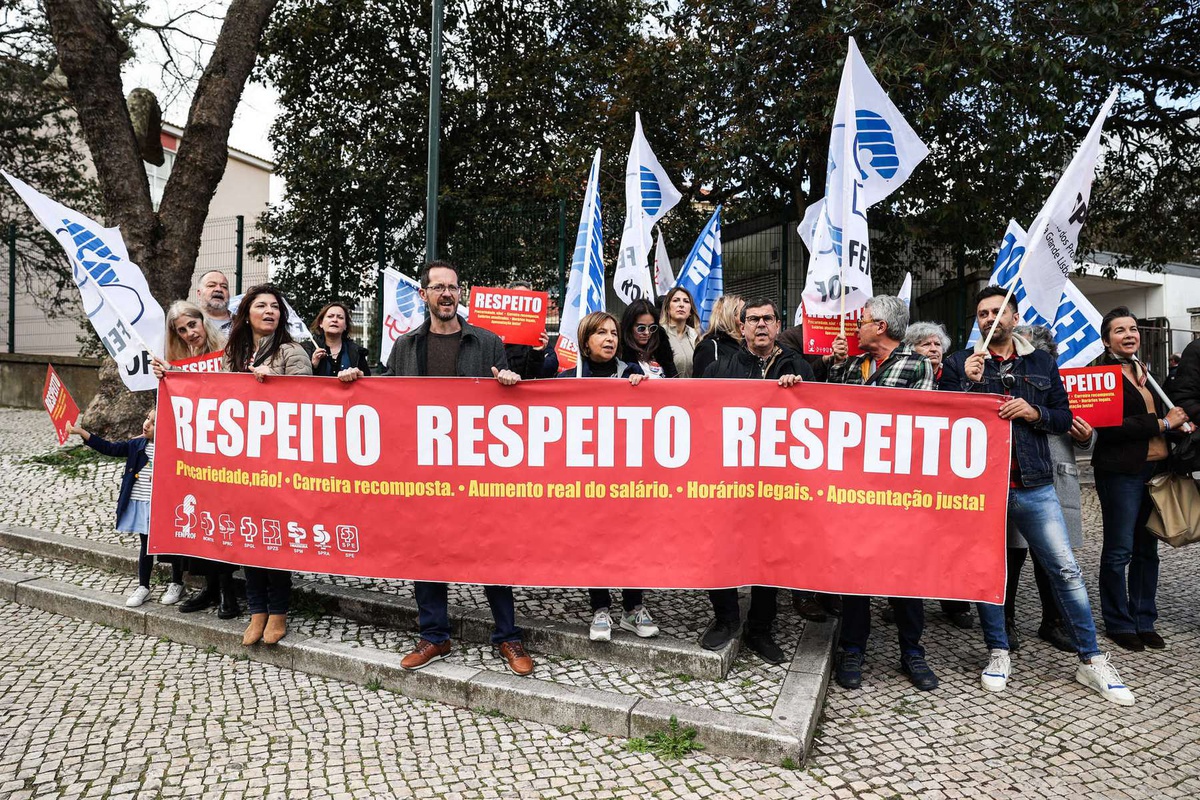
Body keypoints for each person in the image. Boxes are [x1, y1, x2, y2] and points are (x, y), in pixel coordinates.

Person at [338, 260, 535, 677]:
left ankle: (507, 636)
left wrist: (510, 384)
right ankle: (434, 635)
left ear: (460, 294)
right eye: (438, 287)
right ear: (424, 295)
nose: (447, 294)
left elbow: (510, 401)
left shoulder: (487, 342)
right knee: (427, 551)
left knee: (490, 551)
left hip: (477, 471)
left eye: (453, 287)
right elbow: (386, 397)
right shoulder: (406, 347)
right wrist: (358, 381)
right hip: (424, 473)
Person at [941, 285, 1134, 705]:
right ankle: (998, 650)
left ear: (1013, 318)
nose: (990, 319)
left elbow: (1064, 416)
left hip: (1034, 484)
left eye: (997, 312)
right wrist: (969, 386)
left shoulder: (1042, 362)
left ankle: (1092, 659)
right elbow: (947, 422)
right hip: (982, 488)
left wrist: (1035, 413)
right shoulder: (960, 363)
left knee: (1065, 570)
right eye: (982, 314)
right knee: (991, 573)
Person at [826, 296, 939, 692]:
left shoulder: (917, 364)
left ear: (882, 328)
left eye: (863, 321)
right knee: (855, 573)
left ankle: (911, 651)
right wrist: (831, 367)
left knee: (903, 574)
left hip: (897, 493)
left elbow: (921, 424)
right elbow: (826, 409)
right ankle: (853, 648)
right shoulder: (853, 366)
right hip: (854, 492)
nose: (857, 327)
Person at [700, 298, 810, 663]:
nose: (760, 325)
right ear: (741, 327)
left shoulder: (798, 367)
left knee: (769, 553)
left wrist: (799, 393)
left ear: (778, 325)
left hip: (778, 483)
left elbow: (817, 415)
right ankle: (726, 618)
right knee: (723, 547)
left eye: (768, 318)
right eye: (753, 320)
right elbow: (697, 411)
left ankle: (761, 627)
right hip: (729, 479)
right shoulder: (720, 368)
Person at [555, 312, 658, 640]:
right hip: (586, 477)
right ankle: (601, 609)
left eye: (614, 332)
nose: (610, 338)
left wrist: (645, 391)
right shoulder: (567, 379)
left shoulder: (632, 374)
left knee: (631, 539)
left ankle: (632, 609)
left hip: (625, 477)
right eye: (601, 333)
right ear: (585, 342)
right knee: (594, 540)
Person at [1092, 307, 1187, 651]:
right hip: (1121, 473)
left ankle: (1144, 619)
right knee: (1119, 551)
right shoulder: (1101, 375)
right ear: (1106, 340)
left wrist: (1177, 427)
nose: (1129, 334)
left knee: (1148, 550)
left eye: (1132, 329)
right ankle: (1118, 622)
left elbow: (1162, 415)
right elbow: (1111, 427)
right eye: (1120, 330)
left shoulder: (1144, 372)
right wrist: (1163, 424)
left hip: (1156, 472)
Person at [224, 284, 313, 645]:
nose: (269, 312)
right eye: (261, 306)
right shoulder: (233, 353)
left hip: (279, 461)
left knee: (274, 537)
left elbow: (308, 400)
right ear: (247, 313)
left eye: (275, 307)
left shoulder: (293, 351)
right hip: (242, 461)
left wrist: (273, 387)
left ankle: (278, 612)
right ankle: (256, 610)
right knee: (249, 535)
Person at [1004, 324, 1093, 654]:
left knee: (1054, 558)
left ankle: (1053, 621)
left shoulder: (1062, 382)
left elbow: (1083, 432)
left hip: (1058, 477)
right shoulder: (1006, 379)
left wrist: (1086, 437)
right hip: (1020, 478)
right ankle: (1006, 619)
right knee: (1012, 555)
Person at [153, 302, 241, 619]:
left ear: (203, 322)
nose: (191, 333)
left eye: (193, 324)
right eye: (183, 329)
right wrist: (165, 377)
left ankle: (227, 592)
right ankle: (210, 589)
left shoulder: (229, 354)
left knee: (222, 520)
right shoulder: (178, 363)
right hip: (195, 455)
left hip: (227, 454)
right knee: (201, 520)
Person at [67, 407, 185, 608]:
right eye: (147, 418)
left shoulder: (174, 449)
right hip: (141, 503)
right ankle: (143, 586)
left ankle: (177, 583)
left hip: (163, 505)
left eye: (154, 422)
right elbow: (110, 448)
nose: (146, 424)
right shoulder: (137, 445)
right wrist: (81, 432)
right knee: (145, 544)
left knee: (171, 545)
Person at [901, 321, 975, 631]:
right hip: (913, 473)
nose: (933, 349)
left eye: (937, 345)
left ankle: (954, 602)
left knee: (950, 542)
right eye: (925, 345)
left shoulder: (957, 377)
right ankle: (902, 600)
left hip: (950, 474)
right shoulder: (906, 376)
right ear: (911, 350)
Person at [303, 302, 372, 377]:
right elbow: (300, 382)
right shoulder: (307, 349)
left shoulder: (357, 352)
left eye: (340, 317)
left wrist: (359, 374)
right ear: (321, 323)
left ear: (345, 325)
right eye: (330, 316)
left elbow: (368, 382)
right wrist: (313, 365)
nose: (335, 320)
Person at [503, 281, 552, 379]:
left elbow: (546, 370)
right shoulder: (495, 337)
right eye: (517, 298)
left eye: (527, 298)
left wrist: (537, 351)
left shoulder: (540, 338)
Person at [620, 298, 677, 378]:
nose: (647, 332)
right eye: (641, 328)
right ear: (629, 327)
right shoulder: (620, 353)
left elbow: (674, 379)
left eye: (652, 328)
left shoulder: (662, 348)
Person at [691, 294, 745, 379]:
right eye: (744, 312)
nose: (749, 317)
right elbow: (700, 388)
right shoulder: (709, 347)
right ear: (730, 316)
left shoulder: (746, 348)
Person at [659, 287, 702, 378]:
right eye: (676, 300)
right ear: (667, 308)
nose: (681, 305)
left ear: (690, 311)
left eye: (686, 301)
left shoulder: (697, 338)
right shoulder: (658, 335)